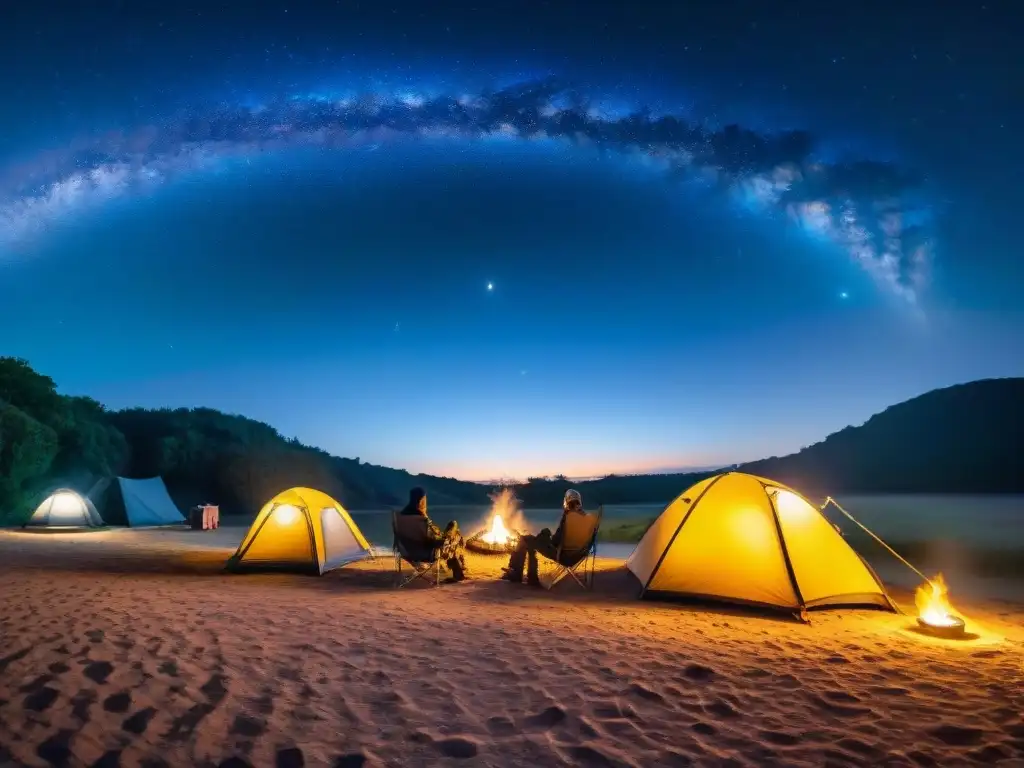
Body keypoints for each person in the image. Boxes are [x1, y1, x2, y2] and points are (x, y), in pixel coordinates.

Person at [503, 488, 585, 587]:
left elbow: (558, 539)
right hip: (572, 554)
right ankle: (530, 575)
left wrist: (545, 538)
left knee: (526, 539)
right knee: (534, 540)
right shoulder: (583, 517)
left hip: (561, 554)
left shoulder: (569, 517)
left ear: (566, 501)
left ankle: (519, 572)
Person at [400, 487, 468, 582]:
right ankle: (458, 572)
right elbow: (431, 540)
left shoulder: (402, 516)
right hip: (426, 553)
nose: (425, 502)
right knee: (453, 529)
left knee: (451, 536)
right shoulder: (421, 519)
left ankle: (458, 564)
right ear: (421, 501)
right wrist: (443, 540)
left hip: (407, 552)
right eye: (424, 499)